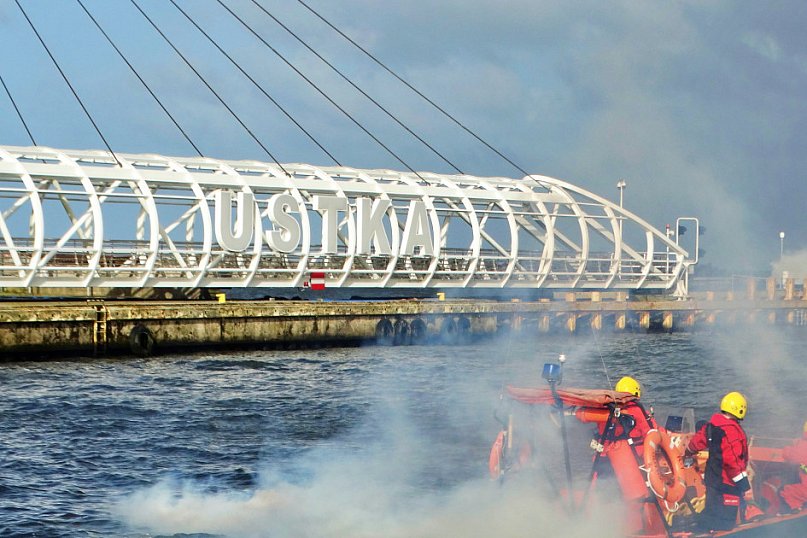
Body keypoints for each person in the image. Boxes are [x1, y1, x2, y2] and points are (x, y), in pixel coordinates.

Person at [686, 391, 750, 532]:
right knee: (726, 521)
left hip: (712, 477)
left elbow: (696, 442)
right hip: (728, 482)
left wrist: (688, 451)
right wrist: (743, 482)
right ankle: (711, 528)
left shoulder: (711, 425)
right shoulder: (731, 431)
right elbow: (732, 460)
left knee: (712, 506)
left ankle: (702, 527)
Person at [613, 376, 657, 447]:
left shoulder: (610, 410)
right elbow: (650, 433)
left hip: (610, 450)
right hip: (636, 451)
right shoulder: (637, 410)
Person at [780, 420, 807, 512]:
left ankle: (795, 509)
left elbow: (788, 454)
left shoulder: (802, 446)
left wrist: (796, 444)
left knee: (785, 491)